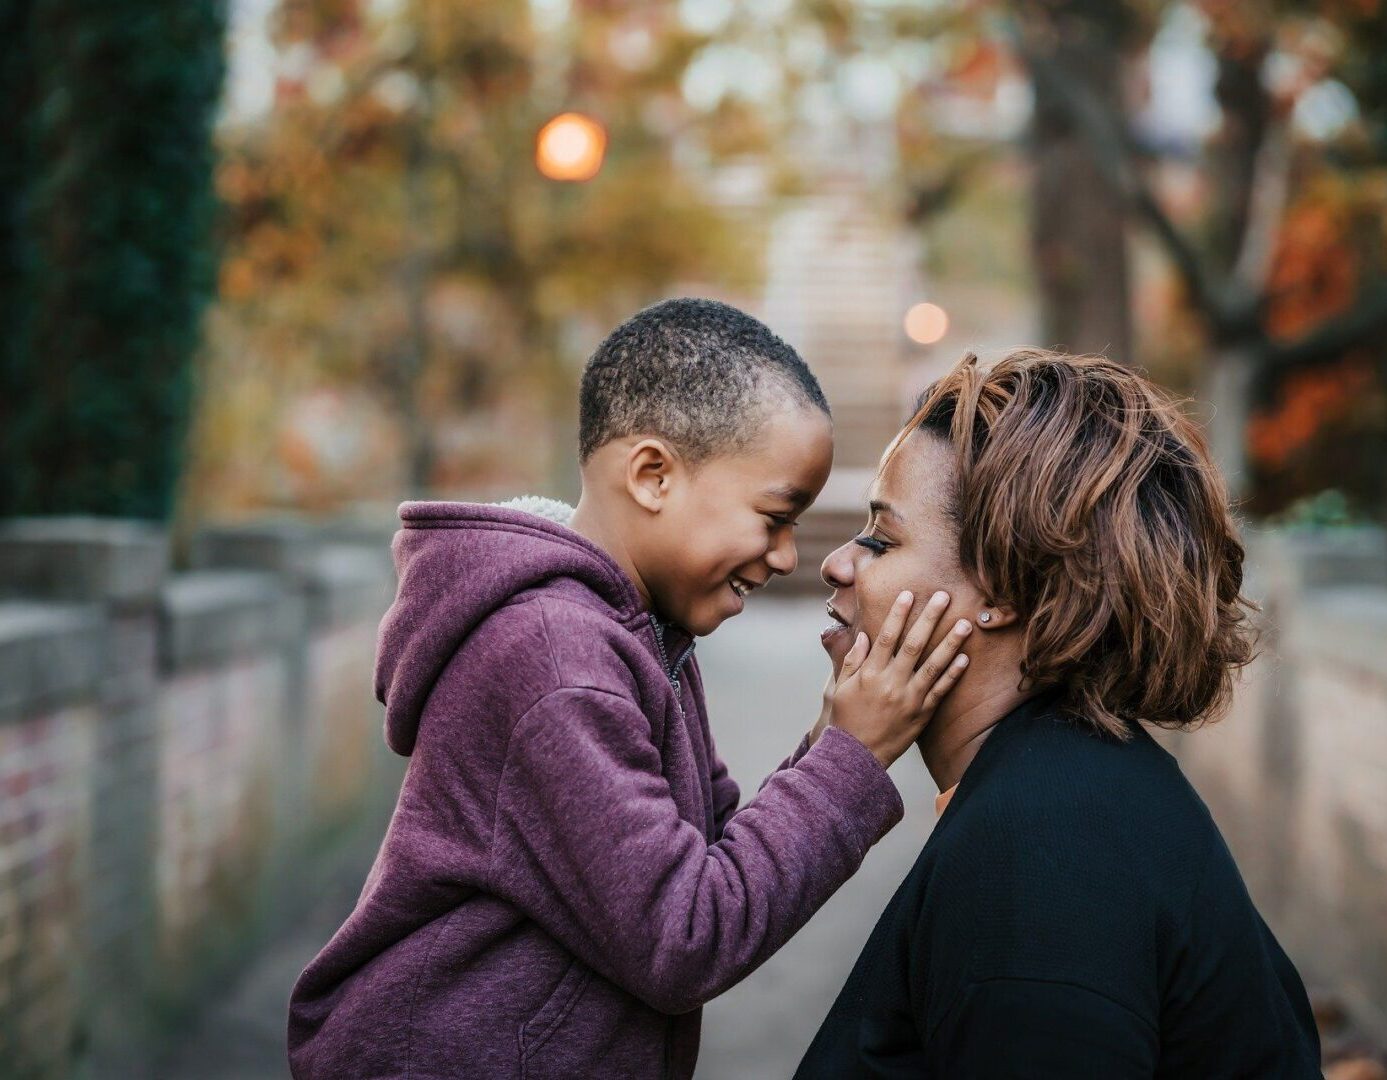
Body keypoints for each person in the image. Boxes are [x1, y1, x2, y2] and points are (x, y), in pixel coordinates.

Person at [287, 299, 972, 1079]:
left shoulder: (637, 635)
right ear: (652, 476)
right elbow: (684, 935)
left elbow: (711, 854)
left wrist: (827, 741)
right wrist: (855, 755)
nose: (787, 557)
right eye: (774, 516)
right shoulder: (555, 662)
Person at [797, 348, 1322, 1078]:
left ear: (1004, 589)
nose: (838, 564)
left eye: (883, 539)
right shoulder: (1062, 795)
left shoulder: (1041, 859)